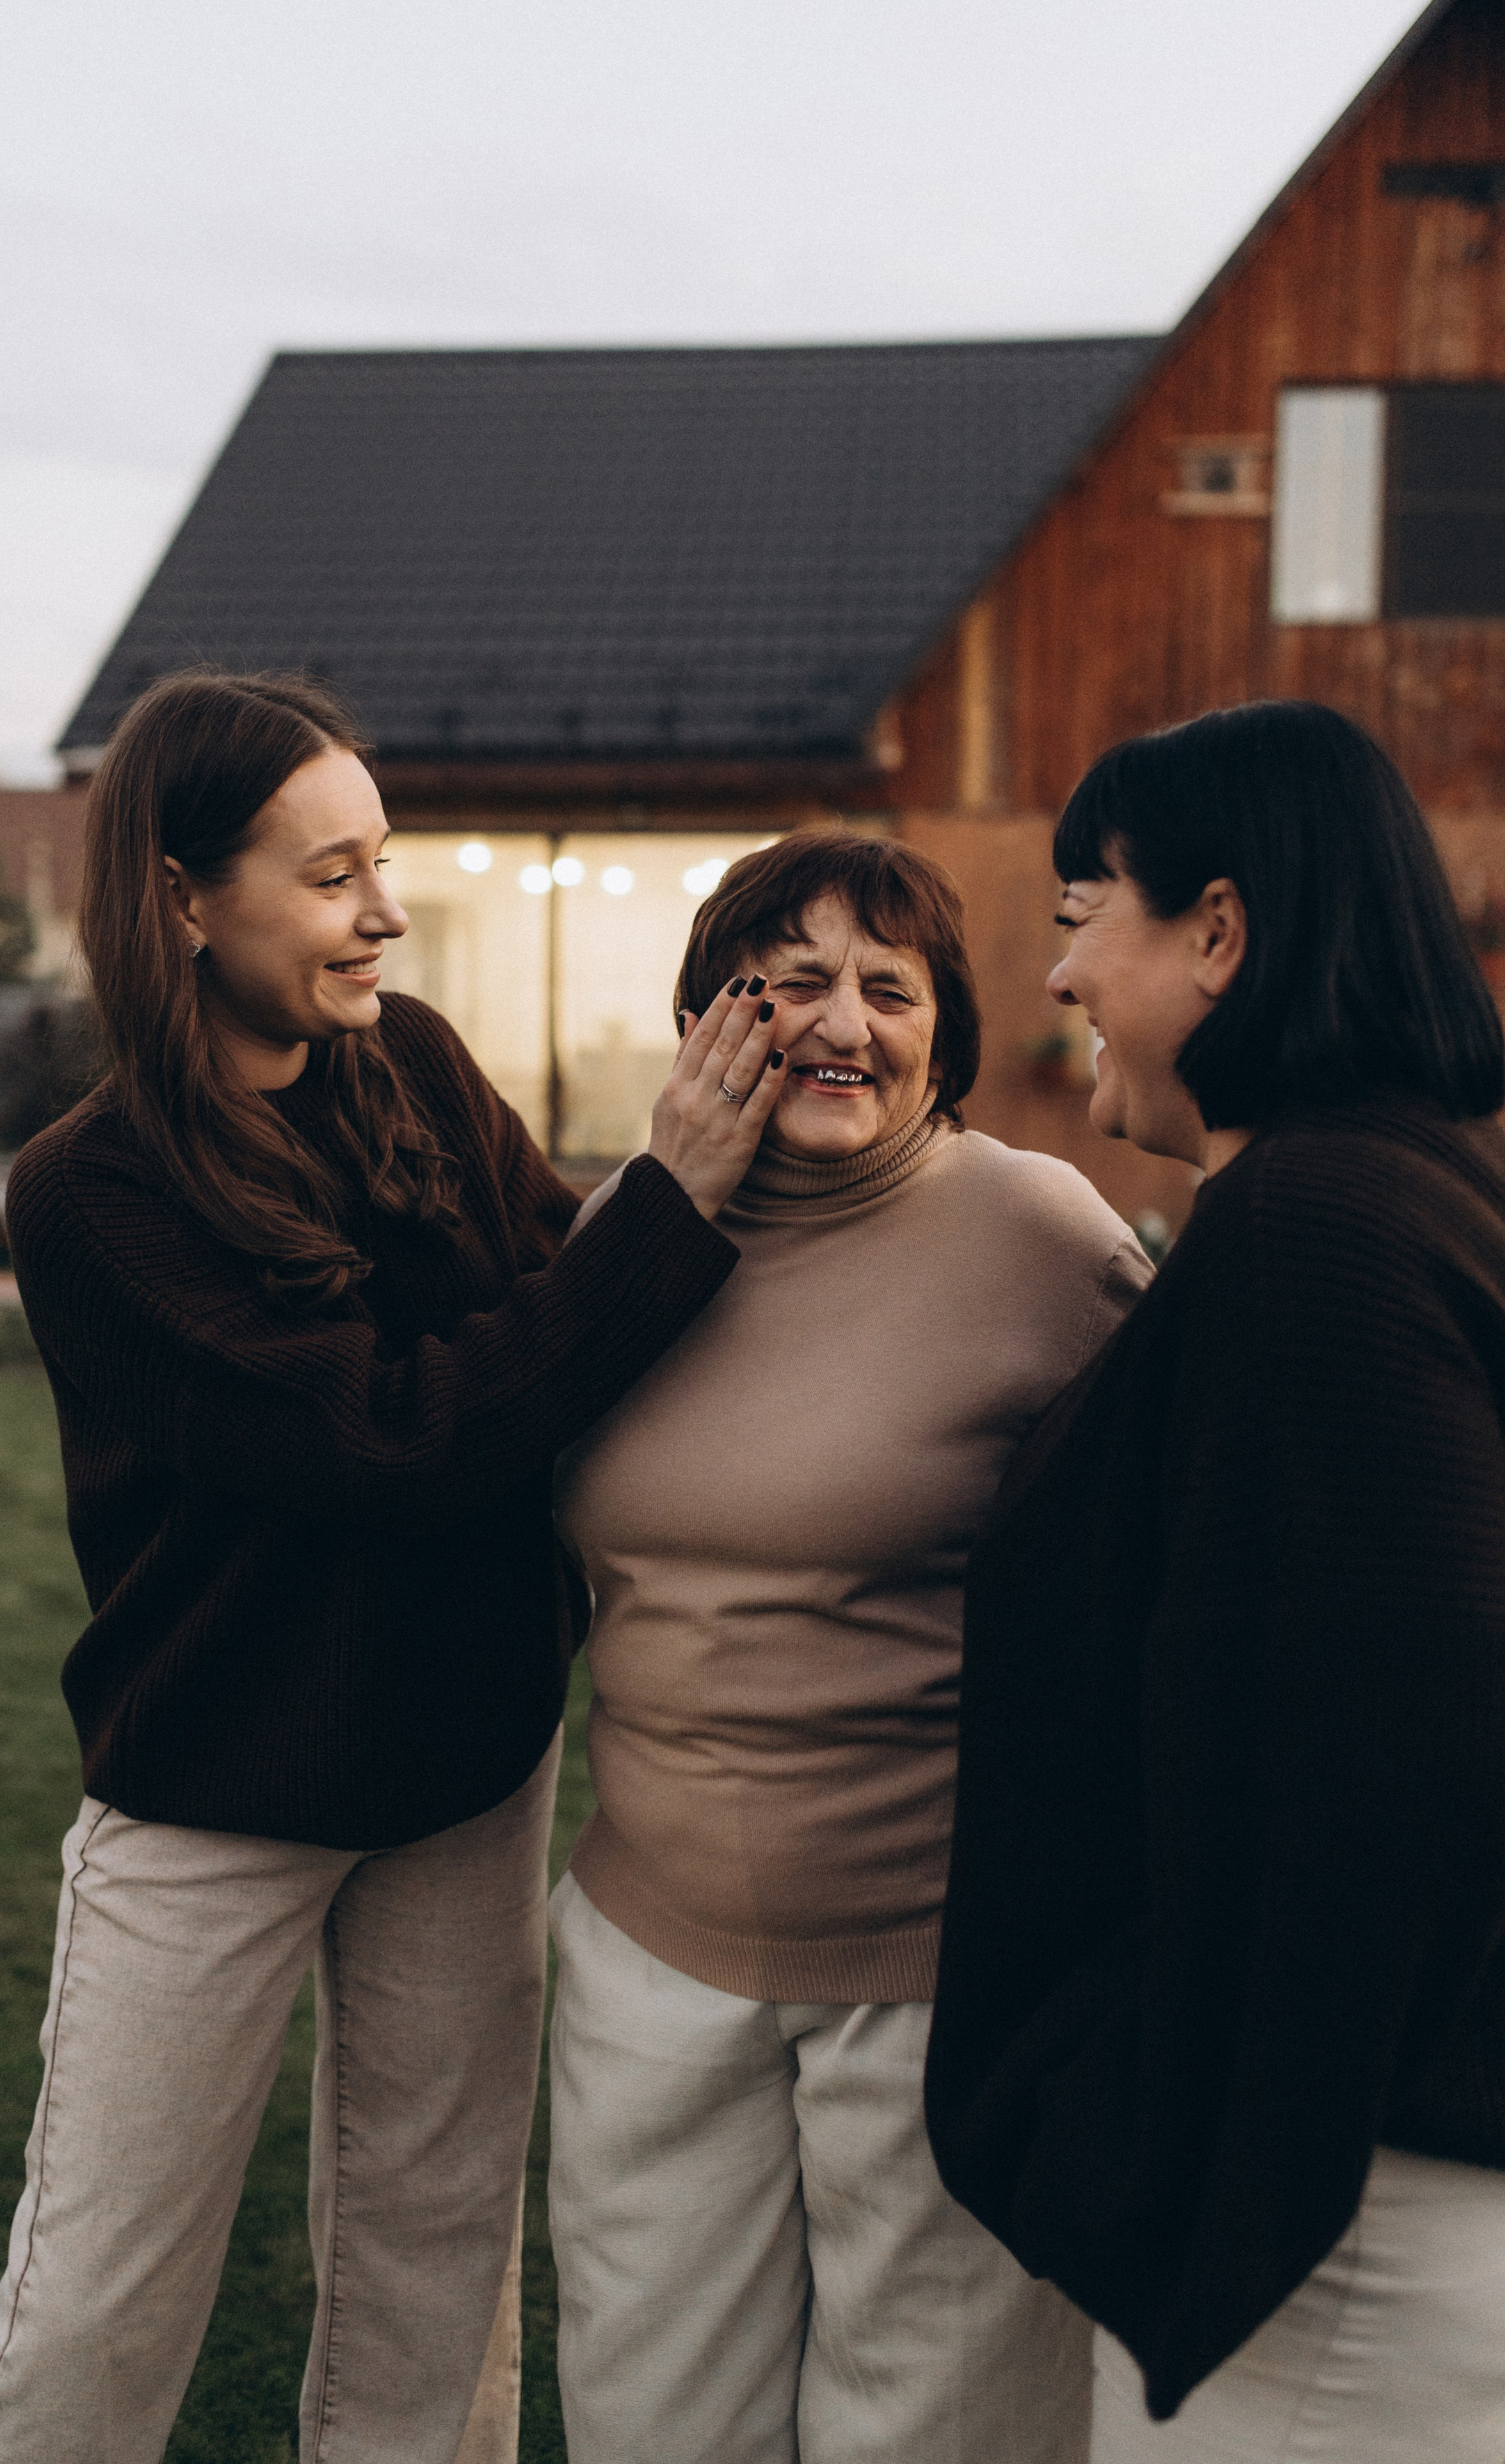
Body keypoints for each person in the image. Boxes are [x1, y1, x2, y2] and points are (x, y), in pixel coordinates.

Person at [0, 669, 789, 2464]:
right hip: (215, 1784)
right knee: (98, 2293)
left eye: (380, 863)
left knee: (434, 2255)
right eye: (330, 877)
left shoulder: (406, 1060)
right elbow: (390, 1436)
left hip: (469, 1759)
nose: (383, 910)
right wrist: (664, 1207)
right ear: (181, 899)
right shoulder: (88, 1195)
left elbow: (566, 1294)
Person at [924, 700, 1505, 2463]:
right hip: (1353, 2187)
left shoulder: (1317, 1237)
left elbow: (1393, 1738)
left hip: (1329, 2235)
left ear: (1222, 933)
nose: (1064, 970)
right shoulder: (1392, 1197)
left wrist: (1183, 2151)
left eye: (1089, 902)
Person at [548, 826, 1152, 2464]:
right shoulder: (625, 1235)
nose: (842, 1021)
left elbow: (1159, 1565)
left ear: (942, 1038)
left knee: (934, 2432)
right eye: (792, 978)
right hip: (648, 1961)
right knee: (649, 2420)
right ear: (705, 1017)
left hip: (936, 1976)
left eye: (889, 989)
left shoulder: (1043, 1239)